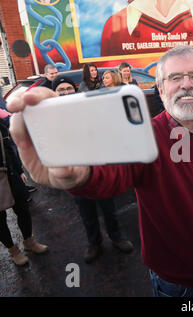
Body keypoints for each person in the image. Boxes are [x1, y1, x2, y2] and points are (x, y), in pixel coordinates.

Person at [8, 46, 193, 297]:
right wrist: (77, 174)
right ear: (160, 89)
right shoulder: (143, 136)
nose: (186, 85)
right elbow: (111, 176)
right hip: (178, 286)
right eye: (174, 78)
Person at [52, 76, 134, 263]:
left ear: (75, 90)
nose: (65, 92)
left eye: (68, 89)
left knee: (109, 210)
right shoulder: (53, 116)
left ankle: (117, 237)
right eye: (61, 90)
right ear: (55, 93)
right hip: (75, 177)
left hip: (99, 171)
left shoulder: (87, 109)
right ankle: (94, 243)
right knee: (86, 213)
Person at [0, 118, 48, 266]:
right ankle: (13, 250)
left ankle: (29, 241)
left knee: (23, 209)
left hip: (11, 174)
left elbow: (9, 148)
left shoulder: (1, 125)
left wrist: (19, 170)